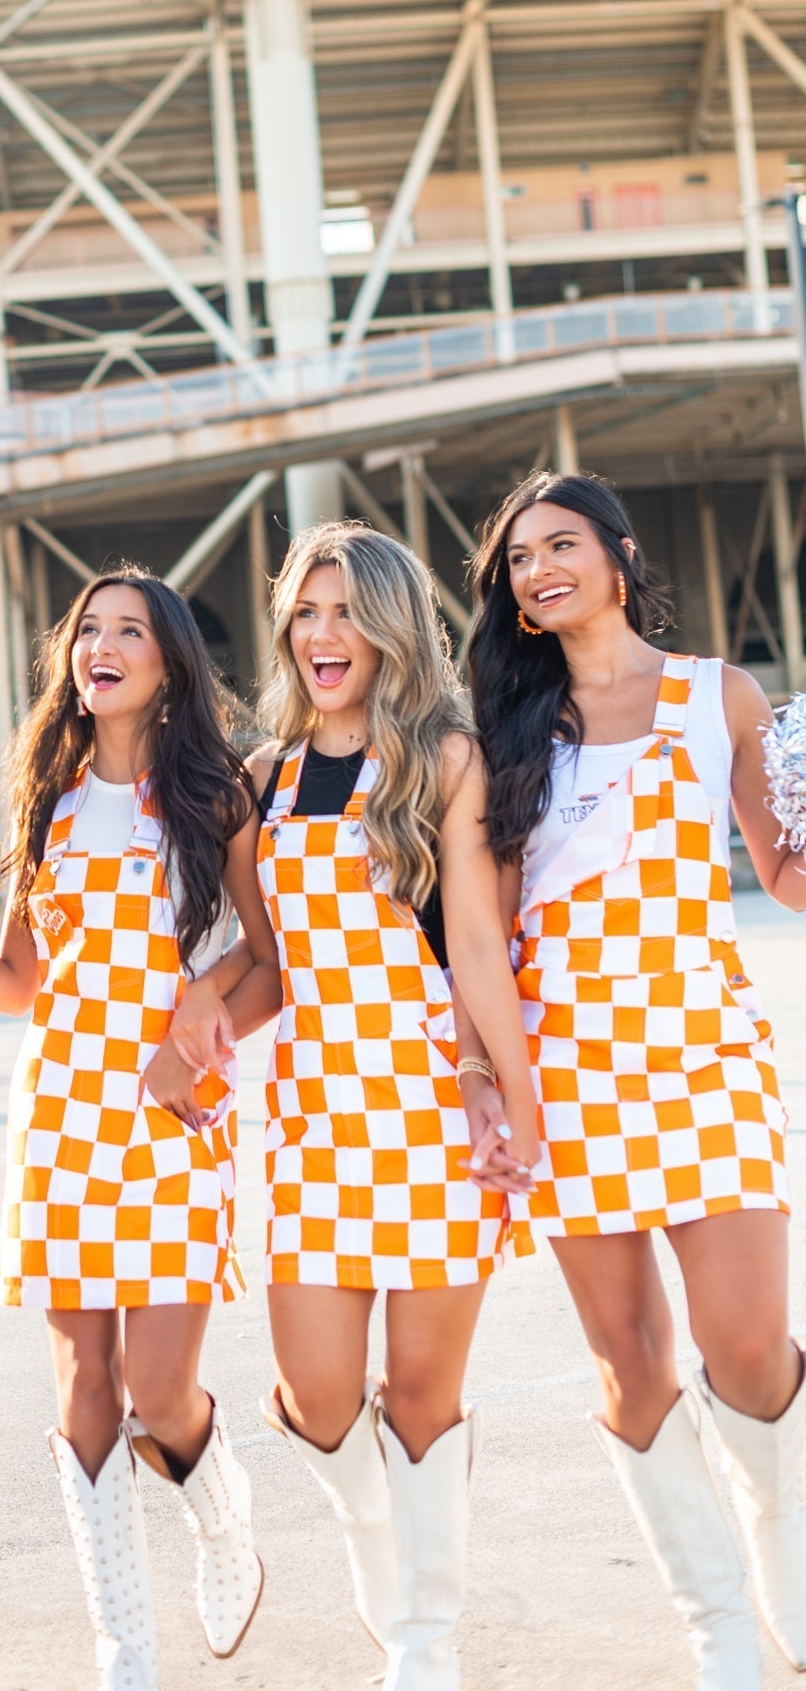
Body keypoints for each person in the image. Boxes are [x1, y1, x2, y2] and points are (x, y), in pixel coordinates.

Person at [172, 523, 537, 1691]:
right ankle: (384, 1538)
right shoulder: (260, 776)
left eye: (344, 611)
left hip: (433, 1104)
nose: (321, 634)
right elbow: (269, 955)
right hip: (314, 1115)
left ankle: (424, 1644)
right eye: (304, 612)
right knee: (321, 1398)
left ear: (389, 625)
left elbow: (476, 942)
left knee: (424, 1399)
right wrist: (203, 997)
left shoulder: (443, 756)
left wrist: (503, 1088)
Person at [466, 470, 803, 1688]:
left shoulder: (720, 694)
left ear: (617, 554)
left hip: (704, 1061)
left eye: (562, 544)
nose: (538, 569)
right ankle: (716, 1624)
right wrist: (488, 1078)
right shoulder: (500, 729)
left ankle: (783, 1542)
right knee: (631, 1357)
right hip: (567, 1077)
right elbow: (485, 929)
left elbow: (786, 872)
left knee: (750, 1344)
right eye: (517, 558)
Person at [0, 566, 277, 1690]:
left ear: (169, 660)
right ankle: (123, 1647)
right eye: (88, 628)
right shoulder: (45, 793)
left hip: (172, 1110)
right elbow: (21, 980)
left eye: (128, 629)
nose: (101, 643)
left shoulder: (217, 794)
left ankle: (223, 1517)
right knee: (83, 1384)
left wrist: (200, 1017)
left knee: (159, 1389)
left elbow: (274, 962)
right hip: (59, 1117)